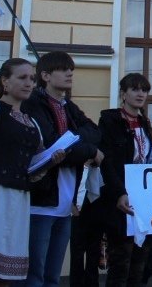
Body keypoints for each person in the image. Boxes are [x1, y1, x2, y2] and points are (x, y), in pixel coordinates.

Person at [0, 14, 66, 283]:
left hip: (19, 199)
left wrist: (50, 161)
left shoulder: (31, 121)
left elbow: (33, 165)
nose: (30, 83)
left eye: (32, 78)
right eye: (22, 77)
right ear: (5, 82)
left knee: (8, 276)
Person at [21, 51, 102, 287]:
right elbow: (52, 147)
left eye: (71, 69)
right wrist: (89, 151)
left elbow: (94, 131)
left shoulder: (67, 106)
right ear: (45, 76)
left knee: (52, 278)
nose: (69, 73)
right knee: (33, 277)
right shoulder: (33, 104)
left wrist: (71, 140)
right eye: (63, 69)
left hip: (65, 205)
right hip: (40, 203)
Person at [91, 72, 152, 287]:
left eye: (144, 90)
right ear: (123, 93)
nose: (140, 94)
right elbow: (107, 162)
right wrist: (119, 192)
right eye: (135, 89)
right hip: (119, 200)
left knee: (139, 263)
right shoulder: (110, 121)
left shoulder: (144, 122)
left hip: (142, 199)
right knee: (121, 263)